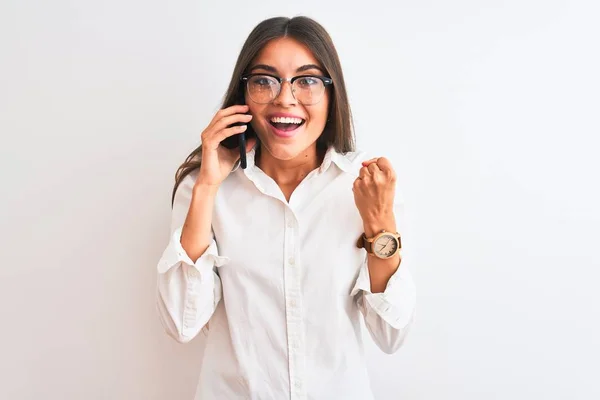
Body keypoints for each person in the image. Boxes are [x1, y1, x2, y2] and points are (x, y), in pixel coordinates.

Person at [156, 15, 416, 400]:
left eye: (307, 80)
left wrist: (379, 224)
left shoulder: (364, 187)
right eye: (264, 80)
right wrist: (207, 187)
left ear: (332, 94)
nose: (284, 98)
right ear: (244, 94)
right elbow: (181, 323)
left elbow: (391, 334)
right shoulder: (205, 189)